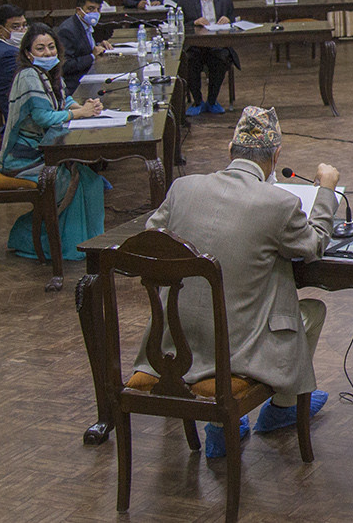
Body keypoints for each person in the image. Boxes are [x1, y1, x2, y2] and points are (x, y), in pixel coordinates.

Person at [136, 106, 336, 458]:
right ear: (276, 157)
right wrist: (326, 192)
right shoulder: (279, 203)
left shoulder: (182, 188)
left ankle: (221, 428)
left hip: (174, 345)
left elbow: (153, 236)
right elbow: (313, 244)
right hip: (238, 352)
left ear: (230, 150)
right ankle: (283, 407)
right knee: (310, 311)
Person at [0, 22, 106, 262]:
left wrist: (84, 106)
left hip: (44, 150)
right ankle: (42, 241)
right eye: (40, 48)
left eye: (51, 47)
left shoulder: (48, 72)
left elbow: (62, 99)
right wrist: (78, 114)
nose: (48, 53)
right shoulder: (28, 76)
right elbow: (43, 117)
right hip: (23, 157)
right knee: (68, 178)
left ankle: (90, 241)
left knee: (90, 179)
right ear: (28, 53)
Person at [175, 0, 239, 116]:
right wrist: (194, 23)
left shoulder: (225, 0)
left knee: (222, 58)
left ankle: (212, 101)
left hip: (217, 45)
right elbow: (178, 25)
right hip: (195, 46)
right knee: (189, 60)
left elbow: (234, 23)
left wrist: (228, 21)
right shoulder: (184, 1)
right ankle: (197, 101)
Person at [55, 0, 111, 88]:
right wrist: (92, 56)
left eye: (98, 9)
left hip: (90, 75)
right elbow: (65, 65)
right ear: (79, 10)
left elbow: (82, 49)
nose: (95, 13)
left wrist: (98, 46)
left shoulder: (85, 24)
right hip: (77, 84)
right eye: (91, 8)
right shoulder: (67, 30)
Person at [0, 3, 27, 118]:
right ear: (0, 28)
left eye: (24, 25)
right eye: (15, 27)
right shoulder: (6, 54)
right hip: (18, 115)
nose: (22, 30)